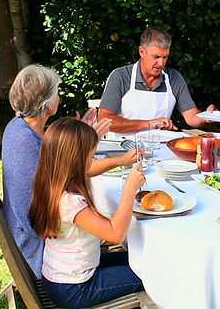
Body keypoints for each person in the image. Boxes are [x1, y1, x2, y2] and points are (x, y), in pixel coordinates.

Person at [2, 64, 136, 278]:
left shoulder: (18, 127)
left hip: (43, 241)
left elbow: (60, 167)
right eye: (56, 94)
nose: (59, 98)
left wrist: (77, 139)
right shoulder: (24, 143)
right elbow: (64, 178)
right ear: (47, 105)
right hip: (40, 249)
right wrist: (82, 146)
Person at [28, 117, 145, 308]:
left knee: (141, 256)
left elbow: (89, 170)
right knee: (150, 270)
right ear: (75, 161)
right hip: (75, 288)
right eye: (91, 157)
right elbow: (115, 233)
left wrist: (122, 160)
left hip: (60, 276)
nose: (93, 162)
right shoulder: (70, 203)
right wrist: (129, 191)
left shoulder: (50, 182)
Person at [98, 26, 214, 134]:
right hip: (122, 147)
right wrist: (148, 124)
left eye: (165, 57)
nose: (161, 63)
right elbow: (105, 120)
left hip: (160, 147)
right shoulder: (121, 76)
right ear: (142, 52)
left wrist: (207, 117)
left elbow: (191, 117)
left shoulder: (173, 78)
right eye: (156, 57)